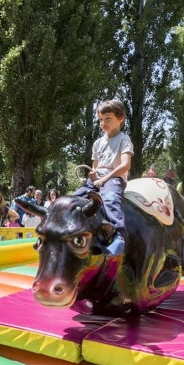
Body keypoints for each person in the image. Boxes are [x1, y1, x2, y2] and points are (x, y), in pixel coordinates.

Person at [73, 99, 133, 256]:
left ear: (120, 119)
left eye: (108, 119)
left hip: (114, 178)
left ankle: (119, 235)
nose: (103, 123)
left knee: (111, 198)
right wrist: (93, 176)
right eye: (100, 119)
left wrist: (103, 179)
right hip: (97, 179)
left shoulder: (123, 140)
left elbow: (125, 166)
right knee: (73, 199)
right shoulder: (98, 143)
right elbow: (95, 167)